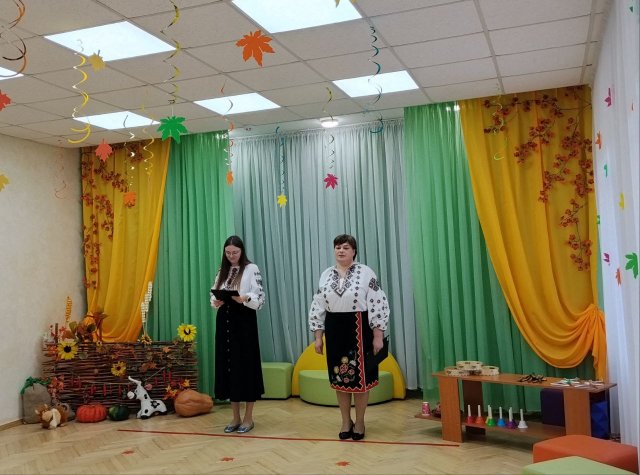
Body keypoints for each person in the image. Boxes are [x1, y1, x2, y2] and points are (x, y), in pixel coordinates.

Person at [308, 234, 390, 441]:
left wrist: (378, 335)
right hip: (335, 330)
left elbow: (378, 302)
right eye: (338, 247)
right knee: (340, 378)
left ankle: (360, 422)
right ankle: (346, 421)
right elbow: (317, 305)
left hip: (359, 328)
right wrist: (318, 336)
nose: (341, 250)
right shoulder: (326, 275)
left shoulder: (366, 273)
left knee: (361, 380)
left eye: (345, 247)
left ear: (354, 251)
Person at [210, 235, 265, 434]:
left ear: (242, 251)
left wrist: (245, 298)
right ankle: (235, 417)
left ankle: (248, 418)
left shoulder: (251, 268)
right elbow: (214, 292)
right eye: (228, 253)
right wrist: (215, 301)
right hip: (225, 320)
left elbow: (260, 297)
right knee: (229, 367)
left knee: (246, 366)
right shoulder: (222, 270)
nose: (231, 256)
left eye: (235, 252)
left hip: (244, 321)